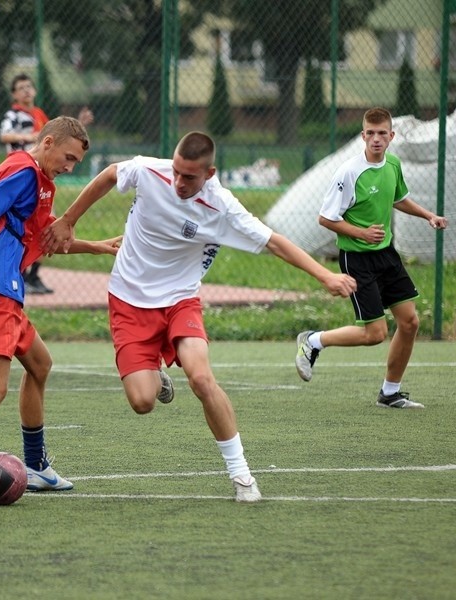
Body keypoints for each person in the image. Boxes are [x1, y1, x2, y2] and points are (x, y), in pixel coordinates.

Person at [42, 131, 358, 503]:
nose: (177, 182)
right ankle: (155, 373)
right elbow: (111, 174)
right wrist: (68, 219)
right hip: (128, 299)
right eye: (176, 171)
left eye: (188, 177)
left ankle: (242, 476)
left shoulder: (223, 207)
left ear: (210, 173)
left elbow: (275, 242)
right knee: (142, 402)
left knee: (202, 378)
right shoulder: (149, 171)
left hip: (180, 301)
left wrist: (325, 275)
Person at [0, 116, 120, 508]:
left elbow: (47, 237)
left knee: (40, 365)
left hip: (7, 290)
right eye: (67, 157)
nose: (69, 167)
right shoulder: (22, 170)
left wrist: (96, 246)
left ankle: (36, 468)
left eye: (76, 162)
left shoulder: (42, 183)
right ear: (47, 143)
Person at [294, 107, 448, 409]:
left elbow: (398, 197)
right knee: (374, 334)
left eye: (382, 134)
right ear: (363, 135)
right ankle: (313, 340)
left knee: (410, 322)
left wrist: (428, 215)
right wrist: (361, 233)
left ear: (392, 136)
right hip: (357, 259)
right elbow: (326, 218)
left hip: (386, 256)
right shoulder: (349, 172)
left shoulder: (392, 163)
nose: (376, 139)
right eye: (371, 133)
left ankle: (390, 392)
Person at [0, 73, 94, 294]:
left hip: (41, 178)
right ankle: (19, 272)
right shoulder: (14, 115)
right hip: (24, 178)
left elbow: (60, 136)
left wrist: (78, 122)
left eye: (29, 86)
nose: (26, 91)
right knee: (21, 226)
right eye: (21, 88)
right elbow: (4, 135)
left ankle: (33, 275)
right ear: (14, 94)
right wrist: (31, 137)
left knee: (46, 227)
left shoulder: (39, 114)